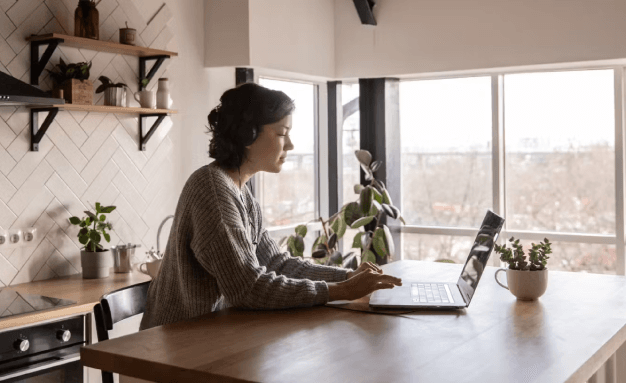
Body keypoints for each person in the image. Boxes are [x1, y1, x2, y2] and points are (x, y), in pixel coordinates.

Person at [140, 83, 402, 330]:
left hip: (209, 335)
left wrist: (348, 277)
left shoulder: (239, 191)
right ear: (247, 135)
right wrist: (341, 291)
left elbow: (276, 263)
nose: (290, 145)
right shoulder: (213, 192)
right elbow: (247, 288)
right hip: (168, 351)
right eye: (282, 134)